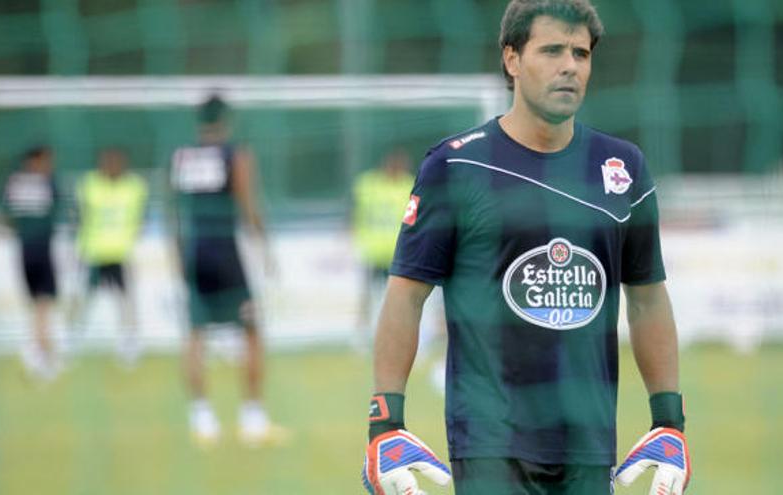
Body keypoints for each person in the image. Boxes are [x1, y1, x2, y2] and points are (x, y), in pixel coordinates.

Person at [361, 1, 691, 494]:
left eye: (581, 53)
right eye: (552, 50)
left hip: (589, 443)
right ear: (512, 59)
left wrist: (669, 420)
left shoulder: (623, 169)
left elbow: (646, 297)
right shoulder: (454, 167)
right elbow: (406, 295)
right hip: (491, 446)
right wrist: (384, 423)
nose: (569, 66)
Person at [170, 94, 286, 447]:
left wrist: (178, 256)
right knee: (251, 331)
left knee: (195, 334)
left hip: (193, 249)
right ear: (227, 121)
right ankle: (252, 419)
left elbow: (175, 210)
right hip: (224, 249)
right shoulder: (236, 153)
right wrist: (265, 249)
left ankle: (201, 419)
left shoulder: (181, 155)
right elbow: (247, 202)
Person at [69, 148, 147, 366]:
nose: (112, 166)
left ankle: (129, 343)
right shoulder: (88, 185)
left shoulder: (134, 186)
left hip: (121, 253)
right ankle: (72, 338)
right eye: (108, 162)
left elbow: (139, 217)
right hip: (93, 252)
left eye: (116, 162)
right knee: (82, 299)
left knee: (126, 300)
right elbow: (78, 215)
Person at [2, 146, 62, 381]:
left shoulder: (14, 182)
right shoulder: (46, 182)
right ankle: (40, 351)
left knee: (39, 304)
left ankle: (40, 349)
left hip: (25, 249)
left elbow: (6, 211)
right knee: (43, 303)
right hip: (40, 250)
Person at [351, 148, 416, 344]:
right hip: (373, 250)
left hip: (400, 252)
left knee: (402, 298)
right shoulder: (367, 184)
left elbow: (414, 218)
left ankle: (403, 336)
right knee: (367, 296)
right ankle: (362, 335)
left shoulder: (410, 185)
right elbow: (355, 211)